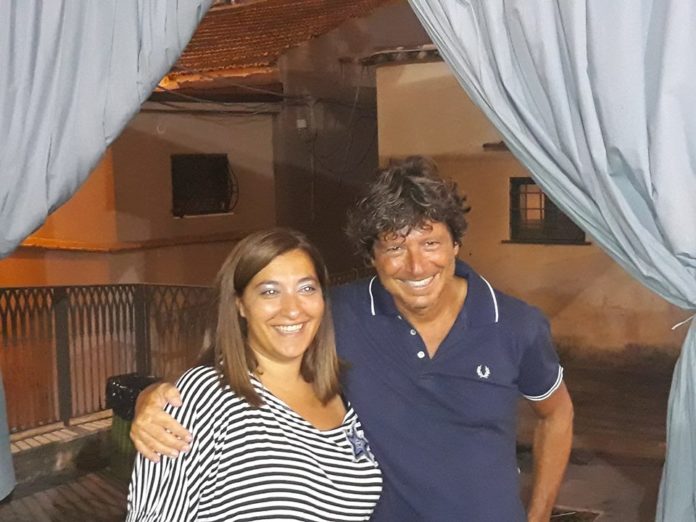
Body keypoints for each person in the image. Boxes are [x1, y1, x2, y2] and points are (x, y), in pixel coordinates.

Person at [131, 156, 573, 521]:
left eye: (430, 243)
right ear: (371, 256)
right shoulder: (337, 314)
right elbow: (257, 348)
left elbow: (557, 415)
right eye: (394, 247)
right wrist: (150, 397)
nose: (416, 266)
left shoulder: (516, 324)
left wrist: (538, 517)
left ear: (456, 244)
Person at [126, 229, 383, 521]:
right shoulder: (206, 396)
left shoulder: (343, 396)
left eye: (306, 288)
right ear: (240, 304)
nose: (292, 310)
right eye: (270, 292)